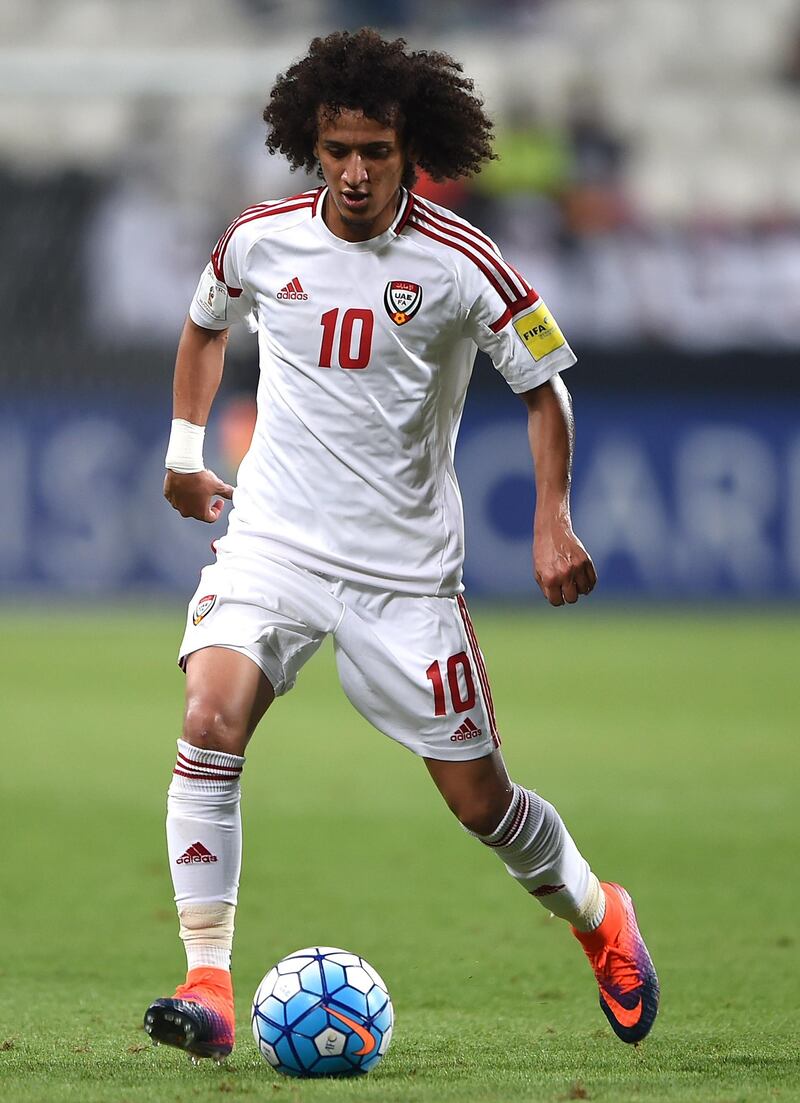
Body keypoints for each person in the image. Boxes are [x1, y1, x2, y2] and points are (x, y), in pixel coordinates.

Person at [143, 28, 659, 1063]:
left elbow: (544, 387)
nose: (354, 171)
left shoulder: (463, 263)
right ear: (312, 145)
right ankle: (208, 983)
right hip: (274, 543)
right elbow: (206, 326)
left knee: (481, 802)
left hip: (404, 576)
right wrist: (184, 450)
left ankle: (598, 911)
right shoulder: (259, 239)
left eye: (375, 150)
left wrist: (550, 517)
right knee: (210, 713)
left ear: (409, 148)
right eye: (337, 149)